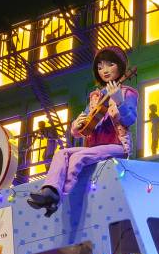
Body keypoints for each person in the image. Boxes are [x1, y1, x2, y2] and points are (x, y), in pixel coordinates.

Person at [27, 45, 137, 217]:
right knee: (61, 153)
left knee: (78, 156)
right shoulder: (96, 97)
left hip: (117, 146)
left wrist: (119, 101)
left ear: (120, 66)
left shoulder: (127, 92)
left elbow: (130, 119)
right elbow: (82, 128)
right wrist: (76, 125)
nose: (104, 70)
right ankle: (49, 190)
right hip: (94, 147)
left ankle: (59, 199)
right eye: (100, 67)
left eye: (110, 65)